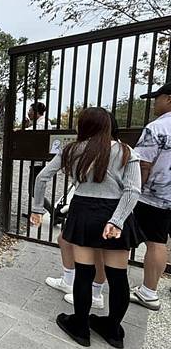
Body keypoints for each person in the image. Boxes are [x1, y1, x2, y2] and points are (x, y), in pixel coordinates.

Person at [31, 107, 142, 349]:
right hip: (116, 213)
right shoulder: (125, 151)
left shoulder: (72, 149)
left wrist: (38, 209)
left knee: (84, 273)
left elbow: (41, 178)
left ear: (84, 126)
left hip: (83, 213)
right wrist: (117, 221)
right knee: (118, 276)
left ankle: (80, 327)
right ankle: (113, 331)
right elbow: (133, 190)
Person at [45, 112, 122, 310]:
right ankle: (75, 283)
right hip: (109, 208)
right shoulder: (121, 149)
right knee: (67, 240)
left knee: (93, 253)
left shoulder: (98, 149)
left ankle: (92, 294)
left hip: (93, 207)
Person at [130, 81, 171, 311]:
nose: (155, 102)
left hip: (153, 195)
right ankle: (150, 288)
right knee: (161, 240)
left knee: (151, 241)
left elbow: (143, 164)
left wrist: (135, 190)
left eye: (158, 97)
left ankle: (148, 292)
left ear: (169, 99)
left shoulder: (157, 128)